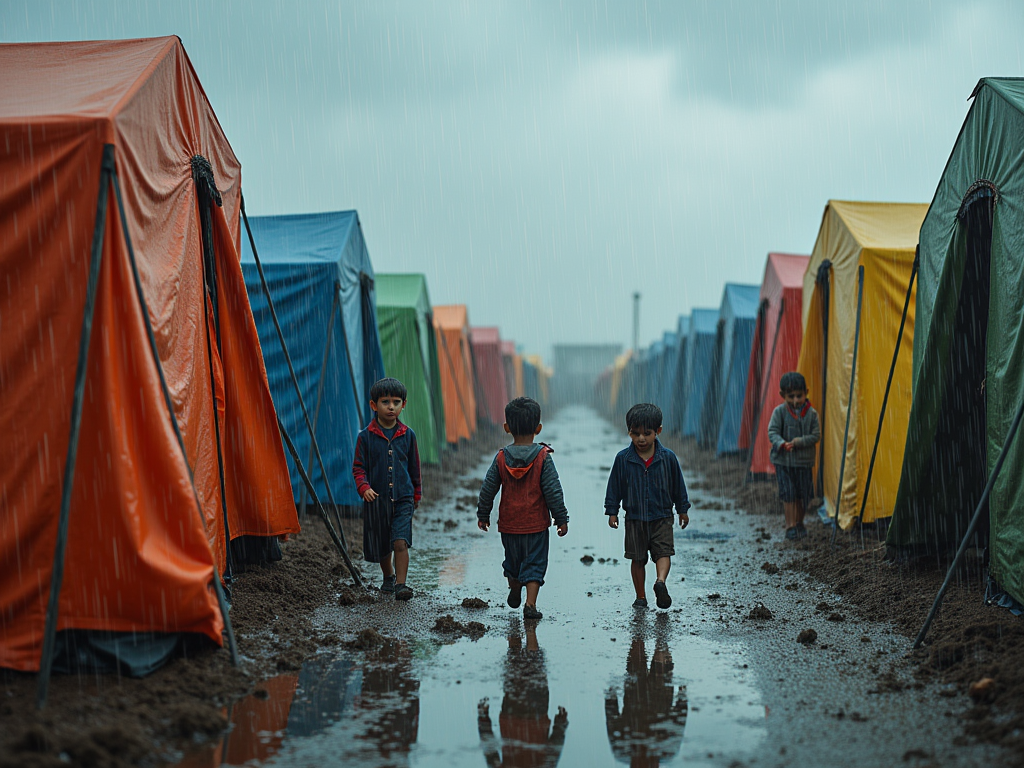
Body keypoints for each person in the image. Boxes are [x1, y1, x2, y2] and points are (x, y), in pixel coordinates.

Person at [477, 397, 568, 621]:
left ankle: (515, 588)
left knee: (513, 561)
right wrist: (561, 518)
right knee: (535, 564)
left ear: (507, 428)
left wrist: (483, 513)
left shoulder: (501, 458)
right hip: (536, 526)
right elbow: (553, 491)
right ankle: (530, 603)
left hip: (509, 525)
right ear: (538, 428)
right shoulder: (542, 458)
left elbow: (488, 487)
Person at [605, 403, 691, 611]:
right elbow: (614, 486)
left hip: (662, 516)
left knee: (664, 553)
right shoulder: (623, 459)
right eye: (635, 434)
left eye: (647, 433)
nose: (641, 439)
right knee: (637, 558)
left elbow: (678, 485)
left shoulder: (668, 458)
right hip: (634, 517)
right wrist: (612, 511)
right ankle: (640, 597)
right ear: (629, 432)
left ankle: (660, 582)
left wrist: (682, 509)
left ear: (658, 431)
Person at [352, 377, 421, 600]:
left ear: (404, 404)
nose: (391, 407)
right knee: (383, 544)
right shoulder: (365, 437)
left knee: (400, 541)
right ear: (374, 405)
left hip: (403, 498)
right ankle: (389, 576)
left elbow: (414, 467)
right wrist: (364, 487)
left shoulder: (408, 435)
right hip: (377, 500)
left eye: (396, 402)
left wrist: (416, 494)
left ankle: (401, 585)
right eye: (385, 402)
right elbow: (358, 468)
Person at [478, 619, 568, 767]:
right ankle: (519, 637)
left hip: (530, 719)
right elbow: (490, 752)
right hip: (517, 719)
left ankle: (522, 636)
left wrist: (560, 725)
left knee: (532, 671)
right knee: (517, 677)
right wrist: (483, 720)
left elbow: (553, 752)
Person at [605, 614, 688, 768]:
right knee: (658, 651)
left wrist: (611, 698)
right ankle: (657, 628)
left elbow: (612, 720)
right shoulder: (666, 750)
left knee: (638, 653)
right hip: (658, 696)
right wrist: (682, 700)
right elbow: (678, 721)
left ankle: (642, 627)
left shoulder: (622, 749)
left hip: (635, 695)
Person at [766, 371, 821, 540]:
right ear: (783, 395)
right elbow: (772, 432)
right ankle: (790, 525)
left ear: (806, 393)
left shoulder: (812, 415)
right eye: (791, 397)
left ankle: (799, 523)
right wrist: (781, 443)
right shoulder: (779, 412)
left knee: (803, 494)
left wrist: (798, 442)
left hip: (804, 463)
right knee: (788, 493)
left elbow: (816, 435)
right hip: (783, 461)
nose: (796, 401)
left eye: (799, 396)